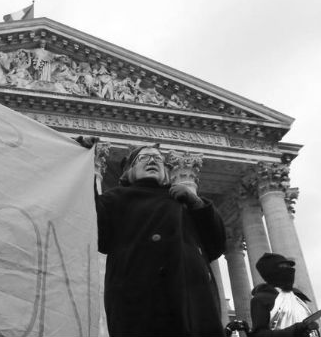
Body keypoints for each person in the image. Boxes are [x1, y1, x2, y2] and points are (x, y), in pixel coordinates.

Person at [95, 144, 226, 337]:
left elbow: (216, 246)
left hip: (192, 300)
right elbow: (94, 230)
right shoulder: (115, 199)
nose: (152, 161)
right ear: (129, 171)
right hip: (140, 301)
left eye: (157, 158)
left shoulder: (182, 200)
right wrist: (83, 164)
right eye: (144, 158)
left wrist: (197, 205)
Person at [249, 253, 320, 337]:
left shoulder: (298, 297)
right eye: (283, 267)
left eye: (289, 267)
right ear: (271, 271)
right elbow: (259, 334)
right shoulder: (261, 299)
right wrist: (297, 329)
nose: (289, 270)